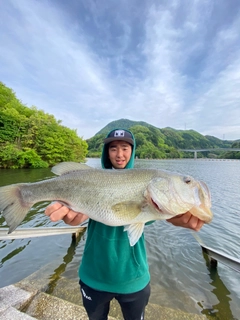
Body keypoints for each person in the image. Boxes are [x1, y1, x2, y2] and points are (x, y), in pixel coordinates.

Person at [45, 128, 204, 320]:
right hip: (93, 275)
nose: (119, 154)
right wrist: (74, 214)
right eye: (113, 148)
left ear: (132, 151)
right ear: (106, 152)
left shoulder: (149, 190)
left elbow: (164, 214)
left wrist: (177, 216)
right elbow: (79, 216)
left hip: (134, 279)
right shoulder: (91, 179)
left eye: (125, 148)